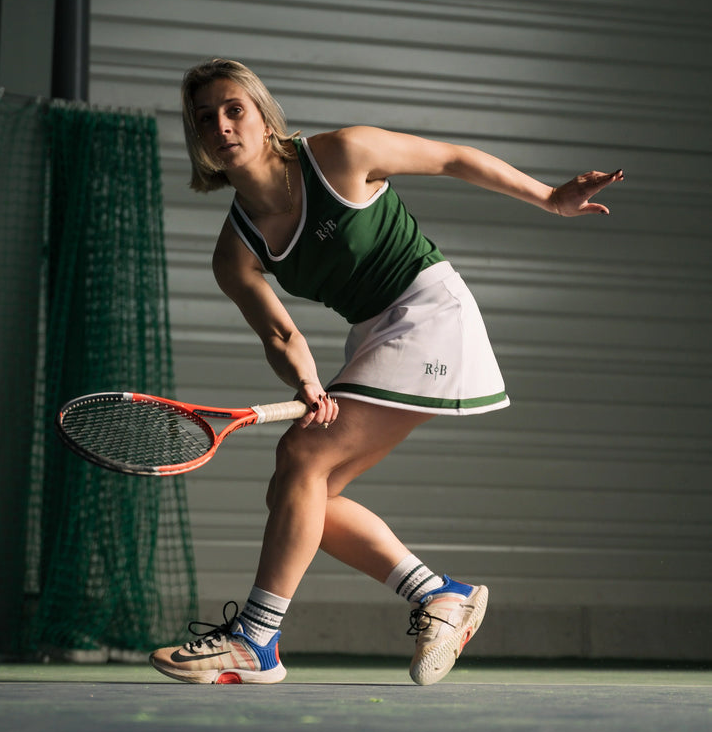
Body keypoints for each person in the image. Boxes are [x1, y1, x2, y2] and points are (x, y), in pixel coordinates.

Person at [150, 58, 623, 686]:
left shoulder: (343, 153)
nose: (222, 125)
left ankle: (255, 640)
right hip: (374, 331)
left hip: (431, 311)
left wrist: (548, 198)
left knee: (302, 458)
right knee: (298, 494)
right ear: (199, 140)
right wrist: (306, 384)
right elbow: (279, 332)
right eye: (205, 118)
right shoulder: (234, 250)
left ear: (264, 116)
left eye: (234, 108)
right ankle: (441, 596)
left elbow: (452, 157)